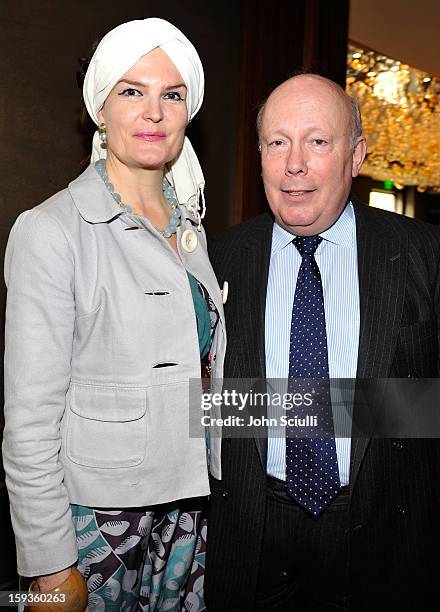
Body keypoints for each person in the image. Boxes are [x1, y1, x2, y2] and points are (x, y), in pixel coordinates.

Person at [3, 17, 225, 612]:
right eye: (132, 91)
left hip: (188, 505)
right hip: (95, 521)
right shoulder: (51, 230)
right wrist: (51, 568)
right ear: (100, 107)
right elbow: (29, 421)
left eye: (171, 95)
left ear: (188, 112)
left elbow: (195, 380)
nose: (153, 112)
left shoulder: (191, 228)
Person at [204, 74, 439, 611]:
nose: (294, 164)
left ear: (356, 156)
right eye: (277, 143)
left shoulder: (426, 255)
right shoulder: (219, 259)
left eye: (317, 141)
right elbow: (201, 404)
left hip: (384, 530)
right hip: (254, 534)